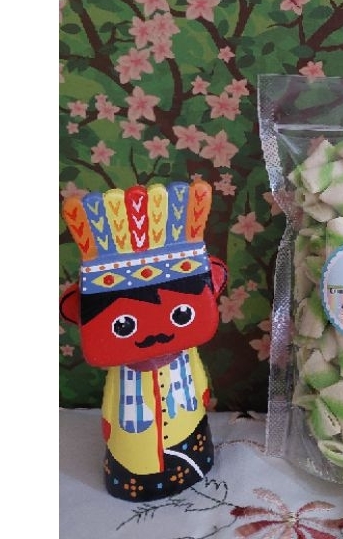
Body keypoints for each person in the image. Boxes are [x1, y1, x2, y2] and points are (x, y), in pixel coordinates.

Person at [61, 180, 228, 501]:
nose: (156, 333)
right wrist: (110, 427)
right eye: (124, 324)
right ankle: (136, 478)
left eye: (180, 314)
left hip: (187, 425)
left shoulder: (187, 351)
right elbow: (112, 402)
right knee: (135, 455)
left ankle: (193, 463)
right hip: (133, 439)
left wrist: (202, 394)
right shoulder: (123, 364)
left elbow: (199, 381)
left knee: (187, 438)